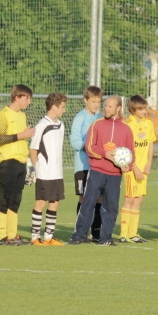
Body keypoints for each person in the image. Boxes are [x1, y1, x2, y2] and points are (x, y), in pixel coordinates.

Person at [68, 95, 134, 246]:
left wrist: (127, 166)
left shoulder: (126, 130)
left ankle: (106, 238)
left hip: (115, 175)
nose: (106, 108)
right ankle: (78, 236)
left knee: (111, 207)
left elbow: (131, 153)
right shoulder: (97, 124)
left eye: (110, 106)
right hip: (97, 171)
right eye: (105, 105)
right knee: (88, 203)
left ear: (118, 108)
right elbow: (90, 147)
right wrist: (106, 154)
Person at [0, 84, 35, 245]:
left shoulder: (22, 116)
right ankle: (2, 236)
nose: (29, 101)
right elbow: (0, 138)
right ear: (17, 97)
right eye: (27, 98)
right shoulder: (3, 115)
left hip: (21, 162)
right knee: (5, 197)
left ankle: (12, 234)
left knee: (16, 200)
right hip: (7, 161)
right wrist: (22, 135)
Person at [29, 93, 68, 246]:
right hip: (44, 172)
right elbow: (33, 149)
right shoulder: (41, 126)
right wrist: (35, 169)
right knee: (40, 202)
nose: (64, 110)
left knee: (55, 202)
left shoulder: (61, 125)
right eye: (62, 107)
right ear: (54, 107)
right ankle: (34, 237)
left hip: (57, 172)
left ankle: (48, 237)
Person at [118, 94, 156, 243]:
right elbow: (126, 148)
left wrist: (148, 163)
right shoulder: (128, 124)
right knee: (129, 198)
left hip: (143, 168)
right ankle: (123, 234)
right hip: (131, 168)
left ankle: (133, 234)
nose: (144, 111)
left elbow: (151, 143)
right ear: (133, 109)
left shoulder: (148, 124)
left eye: (145, 108)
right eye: (141, 109)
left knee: (139, 200)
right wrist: (134, 168)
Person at [70, 85, 104, 241]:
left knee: (98, 198)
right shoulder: (80, 118)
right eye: (93, 101)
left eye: (98, 101)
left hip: (98, 166)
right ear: (85, 100)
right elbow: (75, 141)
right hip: (83, 166)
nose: (96, 105)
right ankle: (80, 231)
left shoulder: (100, 118)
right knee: (83, 198)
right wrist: (89, 147)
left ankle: (96, 232)